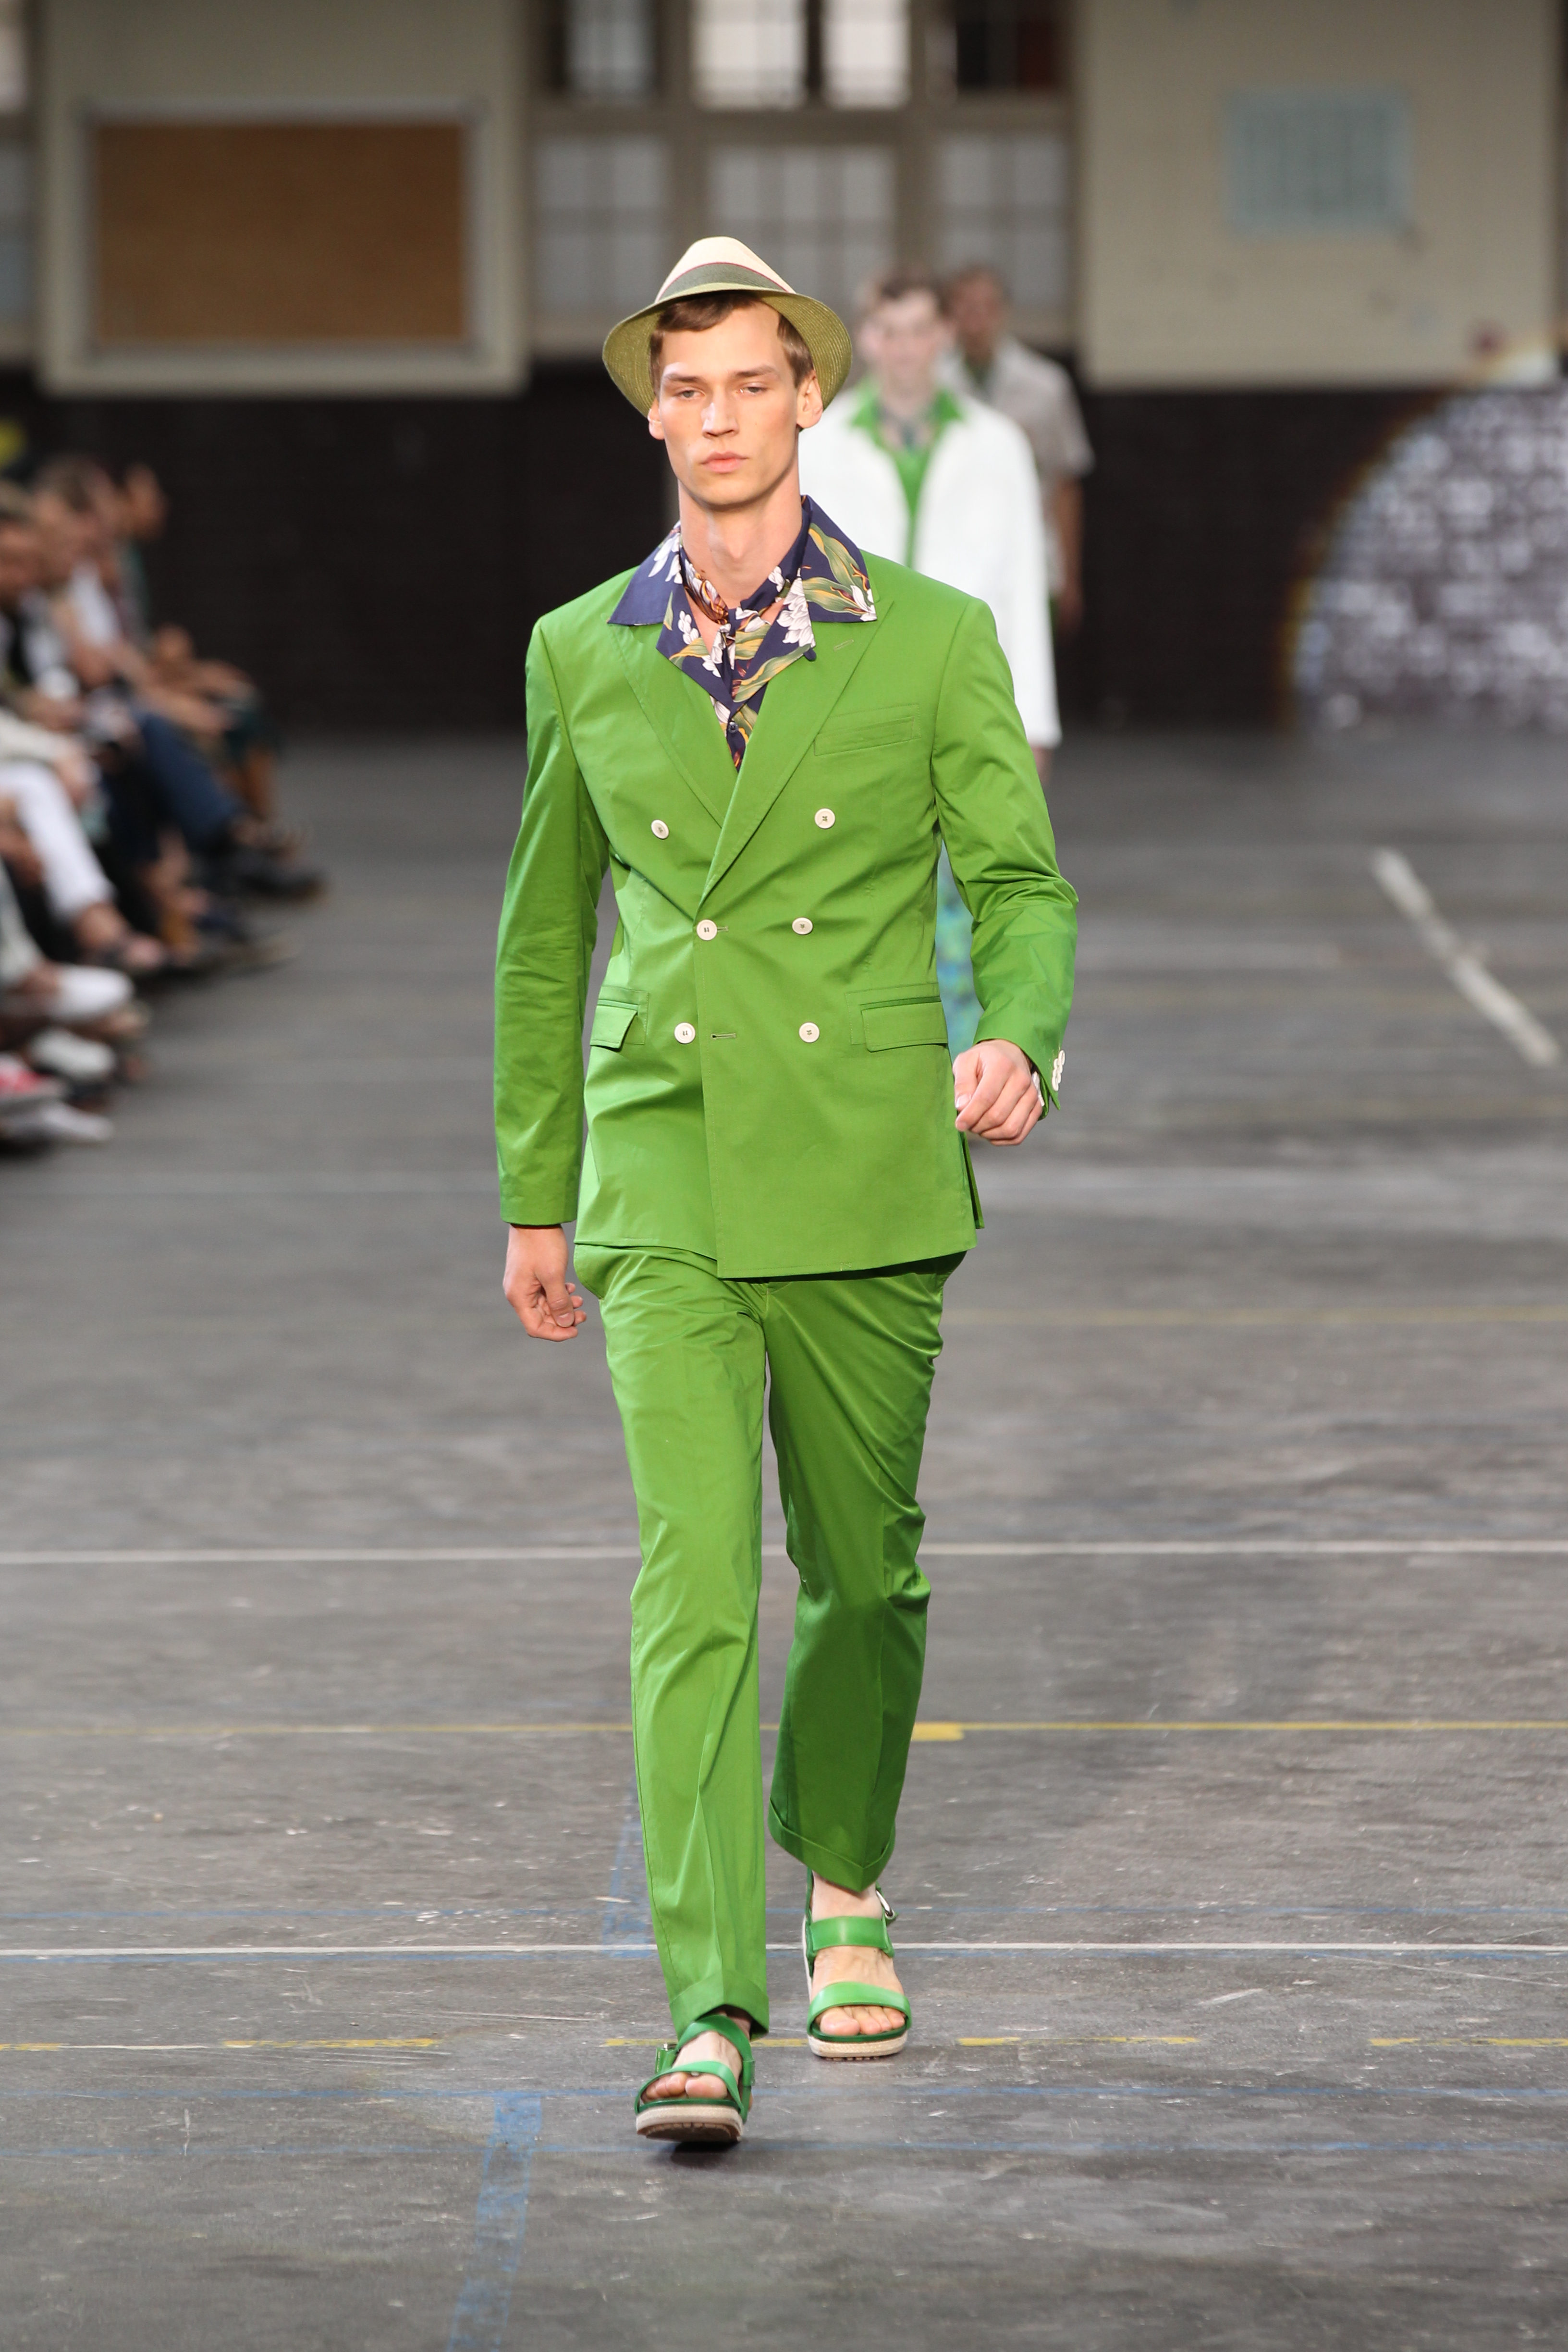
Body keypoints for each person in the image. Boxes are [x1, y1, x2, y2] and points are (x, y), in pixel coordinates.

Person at [493, 237, 1076, 2148]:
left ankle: (846, 1884)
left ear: (806, 396)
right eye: (688, 388)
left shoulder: (930, 638)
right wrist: (537, 1193)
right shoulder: (580, 649)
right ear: (653, 412)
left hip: (864, 1157)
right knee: (692, 1585)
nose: (720, 416)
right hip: (661, 1152)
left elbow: (1019, 883)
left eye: (753, 382)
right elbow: (542, 938)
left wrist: (1020, 1036)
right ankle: (706, 2008)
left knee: (862, 1567)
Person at [796, 267, 1058, 1051]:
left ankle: (967, 1065)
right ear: (866, 337)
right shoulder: (820, 444)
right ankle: (875, 1058)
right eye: (889, 331)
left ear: (945, 335)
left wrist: (1034, 723)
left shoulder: (998, 444)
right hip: (852, 696)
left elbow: (1021, 584)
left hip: (968, 691)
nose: (905, 348)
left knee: (971, 883)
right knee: (859, 886)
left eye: (920, 331)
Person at [942, 263, 1093, 637]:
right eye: (966, 307)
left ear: (1003, 311)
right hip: (954, 552)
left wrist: (1071, 575)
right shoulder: (935, 385)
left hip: (1032, 550)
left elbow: (1066, 483)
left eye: (986, 306)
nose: (976, 319)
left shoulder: (1045, 385)